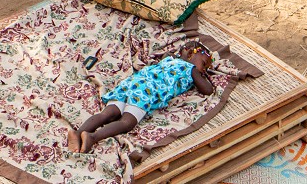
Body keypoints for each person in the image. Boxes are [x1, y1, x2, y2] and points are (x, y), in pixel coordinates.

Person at [68, 41, 215, 154]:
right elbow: (208, 90)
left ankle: (78, 132)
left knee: (107, 114)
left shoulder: (168, 59)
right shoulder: (192, 69)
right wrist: (202, 75)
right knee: (127, 122)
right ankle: (92, 137)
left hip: (132, 83)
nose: (204, 70)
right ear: (190, 53)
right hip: (146, 92)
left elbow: (164, 57)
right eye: (204, 64)